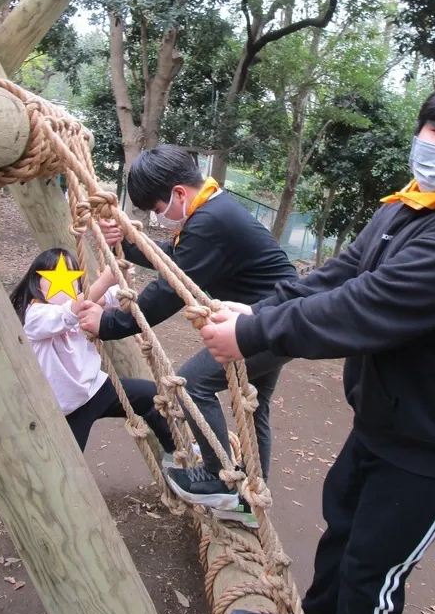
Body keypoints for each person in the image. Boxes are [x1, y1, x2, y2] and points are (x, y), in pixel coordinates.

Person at [198, 74, 435, 614]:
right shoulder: (412, 207)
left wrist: (253, 333)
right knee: (343, 532)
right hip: (389, 415)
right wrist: (262, 307)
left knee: (373, 573)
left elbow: (368, 307)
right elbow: (345, 273)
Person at [76, 145, 298, 527]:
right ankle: (248, 503)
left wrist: (110, 324)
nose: (158, 218)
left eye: (157, 207)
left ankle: (218, 481)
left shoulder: (210, 221)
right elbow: (176, 260)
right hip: (277, 322)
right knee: (254, 407)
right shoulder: (212, 210)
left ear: (179, 193)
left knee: (192, 383)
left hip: (264, 326)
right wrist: (128, 243)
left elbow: (168, 290)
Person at [10, 248, 175, 458]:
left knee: (153, 396)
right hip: (65, 406)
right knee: (67, 464)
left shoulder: (83, 303)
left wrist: (122, 274)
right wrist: (105, 280)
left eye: (71, 276)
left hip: (96, 389)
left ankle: (175, 455)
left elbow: (115, 297)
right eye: (53, 277)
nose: (63, 284)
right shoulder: (35, 315)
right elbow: (68, 312)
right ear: (35, 282)